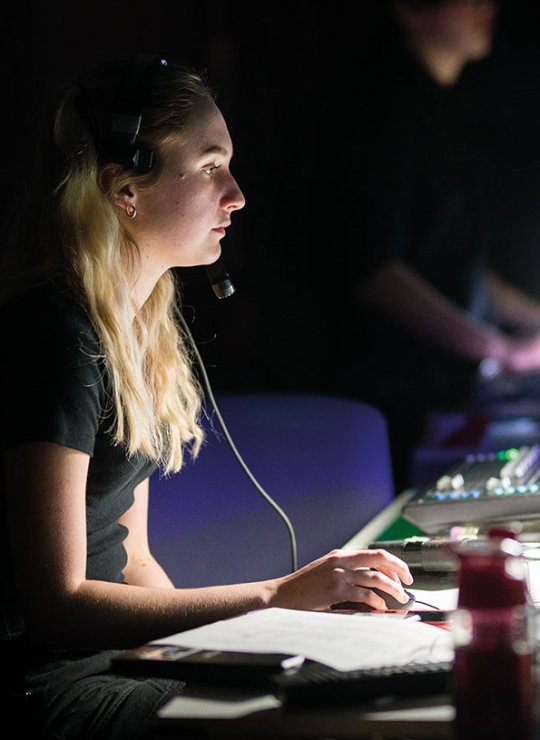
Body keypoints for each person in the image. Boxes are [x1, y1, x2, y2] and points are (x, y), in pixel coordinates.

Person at [0, 54, 414, 739]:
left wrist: (222, 655)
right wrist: (275, 598)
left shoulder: (135, 326)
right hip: (52, 692)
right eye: (210, 166)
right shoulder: (56, 335)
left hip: (114, 666)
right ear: (124, 188)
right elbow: (56, 603)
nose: (237, 194)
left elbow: (132, 558)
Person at [328, 0, 540, 490]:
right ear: (411, 9)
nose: (487, 7)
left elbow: (456, 261)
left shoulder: (447, 107)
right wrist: (498, 349)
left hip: (451, 387)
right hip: (396, 396)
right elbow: (371, 268)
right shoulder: (383, 110)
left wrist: (527, 325)